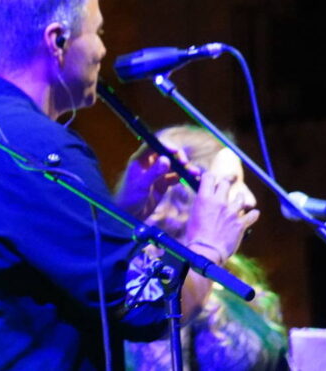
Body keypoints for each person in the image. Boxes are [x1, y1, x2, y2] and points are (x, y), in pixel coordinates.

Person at [0, 0, 258, 370]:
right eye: (97, 32)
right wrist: (209, 242)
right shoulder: (38, 150)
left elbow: (31, 269)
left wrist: (122, 211)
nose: (103, 50)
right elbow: (145, 309)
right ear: (58, 40)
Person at [124, 125, 289, 371]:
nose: (250, 199)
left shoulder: (232, 272)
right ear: (182, 195)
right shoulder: (155, 283)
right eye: (231, 183)